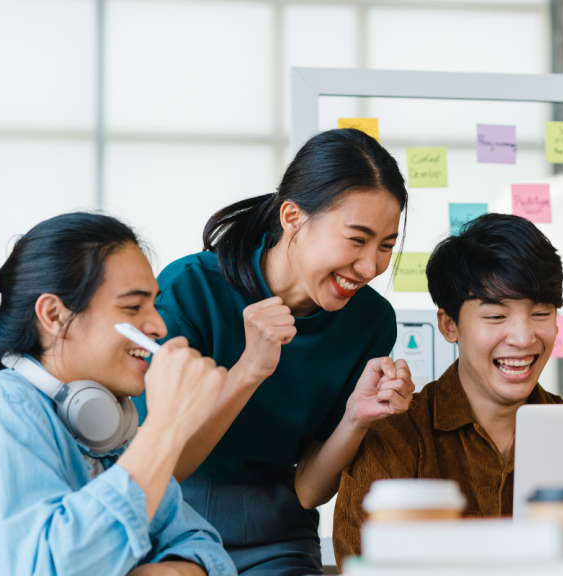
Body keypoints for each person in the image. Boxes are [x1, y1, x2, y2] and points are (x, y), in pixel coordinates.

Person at [132, 128, 415, 574]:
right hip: (169, 518)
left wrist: (357, 418)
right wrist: (250, 368)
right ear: (292, 217)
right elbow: (163, 460)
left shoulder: (371, 321)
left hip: (278, 533)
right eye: (357, 240)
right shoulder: (190, 289)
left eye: (386, 246)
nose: (370, 267)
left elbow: (307, 489)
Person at [0, 213, 236, 576]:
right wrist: (166, 426)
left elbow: (205, 550)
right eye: (133, 307)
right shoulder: (4, 407)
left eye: (154, 304)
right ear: (54, 315)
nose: (159, 326)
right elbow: (51, 567)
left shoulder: (109, 426)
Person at [332, 213, 563, 566]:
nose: (523, 338)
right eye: (495, 317)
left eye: (541, 314)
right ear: (449, 325)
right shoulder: (398, 434)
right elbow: (366, 566)